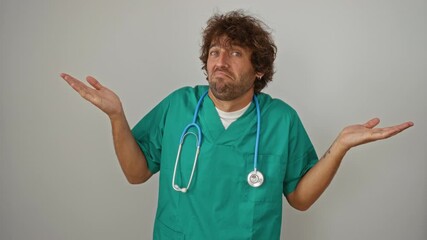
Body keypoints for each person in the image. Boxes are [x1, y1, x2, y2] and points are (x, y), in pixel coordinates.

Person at [60, 10, 413, 240]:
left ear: (258, 70)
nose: (221, 61)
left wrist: (339, 147)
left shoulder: (280, 120)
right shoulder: (178, 106)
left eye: (235, 53)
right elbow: (136, 174)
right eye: (215, 52)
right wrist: (117, 117)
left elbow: (300, 199)